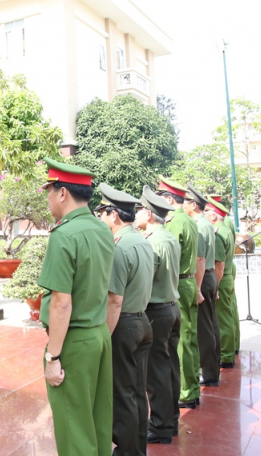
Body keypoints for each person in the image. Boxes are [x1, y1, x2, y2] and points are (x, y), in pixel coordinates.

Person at [38, 158, 115, 456]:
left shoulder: (64, 235)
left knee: (73, 427)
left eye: (49, 190)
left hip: (74, 340)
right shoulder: (101, 230)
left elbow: (61, 303)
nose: (48, 198)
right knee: (97, 420)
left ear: (62, 193)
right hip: (98, 335)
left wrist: (53, 356)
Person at [98, 183, 154, 456]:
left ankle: (127, 451)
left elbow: (114, 300)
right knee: (137, 391)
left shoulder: (119, 248)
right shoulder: (143, 241)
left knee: (123, 394)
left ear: (114, 216)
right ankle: (138, 448)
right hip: (142, 321)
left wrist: (105, 337)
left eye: (102, 212)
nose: (100, 218)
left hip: (124, 325)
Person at [135, 186, 181, 445]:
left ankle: (162, 425)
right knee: (169, 367)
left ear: (150, 215)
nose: (138, 214)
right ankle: (170, 419)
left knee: (157, 372)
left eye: (141, 210)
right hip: (171, 307)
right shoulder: (168, 237)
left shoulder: (152, 241)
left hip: (156, 311)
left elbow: (145, 280)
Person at [157, 176, 199, 410]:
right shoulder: (190, 220)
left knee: (181, 341)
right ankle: (192, 387)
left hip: (179, 283)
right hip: (190, 280)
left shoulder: (174, 222)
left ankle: (185, 390)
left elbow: (168, 259)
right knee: (190, 338)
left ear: (170, 199)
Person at [184, 184, 221, 387]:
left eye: (185, 202)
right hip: (208, 276)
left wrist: (197, 288)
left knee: (204, 328)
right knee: (210, 324)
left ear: (193, 205)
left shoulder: (198, 225)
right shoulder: (205, 223)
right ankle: (212, 370)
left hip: (203, 275)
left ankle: (208, 372)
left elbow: (199, 259)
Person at [205, 198, 237, 368]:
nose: (206, 216)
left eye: (207, 213)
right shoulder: (226, 230)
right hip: (228, 277)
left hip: (222, 279)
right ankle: (230, 350)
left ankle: (226, 355)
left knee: (222, 318)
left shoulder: (218, 234)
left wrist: (215, 287)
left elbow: (219, 265)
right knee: (228, 315)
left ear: (214, 216)